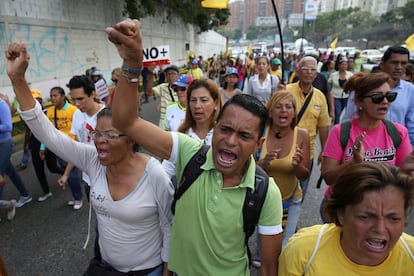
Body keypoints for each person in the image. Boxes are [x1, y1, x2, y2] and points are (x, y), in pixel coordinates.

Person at [107, 19, 283, 275]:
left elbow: (268, 267)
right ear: (215, 127)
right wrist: (133, 65)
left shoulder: (266, 191)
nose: (230, 141)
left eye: (244, 135)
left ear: (259, 144)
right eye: (225, 130)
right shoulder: (190, 152)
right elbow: (125, 121)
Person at [5, 43, 174, 274]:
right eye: (97, 133)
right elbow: (48, 134)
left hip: (147, 270)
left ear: (132, 139)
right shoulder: (92, 159)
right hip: (105, 267)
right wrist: (17, 79)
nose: (100, 140)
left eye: (111, 135)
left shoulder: (154, 173)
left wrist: (166, 271)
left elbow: (169, 226)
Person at [279, 161, 414, 275]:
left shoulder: (411, 257)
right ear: (341, 214)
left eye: (393, 218)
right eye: (365, 217)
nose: (380, 229)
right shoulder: (303, 251)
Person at [321, 72, 412, 222]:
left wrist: (407, 171)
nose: (385, 102)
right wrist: (353, 163)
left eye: (390, 97)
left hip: (381, 212)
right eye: (377, 97)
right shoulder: (341, 131)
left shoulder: (398, 133)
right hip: (343, 209)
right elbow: (328, 177)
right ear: (359, 101)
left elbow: (405, 185)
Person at [256, 91, 310, 248]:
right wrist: (262, 164)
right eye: (278, 107)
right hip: (263, 200)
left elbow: (304, 175)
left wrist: (297, 166)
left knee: (285, 246)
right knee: (265, 244)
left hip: (291, 200)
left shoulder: (301, 135)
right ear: (270, 112)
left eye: (288, 107)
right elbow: (246, 168)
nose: (284, 111)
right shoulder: (260, 133)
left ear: (294, 113)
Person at [343, 46, 414, 147]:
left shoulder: (410, 90)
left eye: (403, 63)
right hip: (363, 148)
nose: (399, 67)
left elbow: (411, 125)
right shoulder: (363, 86)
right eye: (394, 62)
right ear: (382, 65)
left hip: (396, 149)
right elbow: (349, 117)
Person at [286, 56, 331, 201]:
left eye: (313, 69)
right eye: (305, 69)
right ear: (298, 71)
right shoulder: (286, 91)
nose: (309, 72)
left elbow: (323, 125)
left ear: (316, 74)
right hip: (285, 148)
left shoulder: (320, 97)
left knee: (300, 194)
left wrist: (324, 151)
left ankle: (293, 221)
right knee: (280, 190)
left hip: (307, 153)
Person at [42, 86, 83, 210]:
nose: (53, 98)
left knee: (72, 173)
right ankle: (76, 195)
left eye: (55, 95)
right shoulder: (50, 111)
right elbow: (47, 131)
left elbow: (79, 131)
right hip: (58, 148)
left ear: (63, 96)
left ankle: (78, 198)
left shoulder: (73, 110)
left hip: (72, 146)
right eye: (51, 96)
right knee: (67, 172)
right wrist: (43, 146)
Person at [65, 75, 105, 197]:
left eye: (80, 99)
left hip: (108, 178)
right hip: (88, 179)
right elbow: (77, 146)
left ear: (92, 94)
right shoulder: (77, 115)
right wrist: (66, 174)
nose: (76, 104)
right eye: (73, 99)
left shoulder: (107, 115)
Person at [28, 89, 65, 202]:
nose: (34, 103)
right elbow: (28, 131)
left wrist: (43, 147)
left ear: (40, 101)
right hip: (34, 144)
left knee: (53, 167)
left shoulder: (47, 113)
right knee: (38, 170)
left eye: (37, 100)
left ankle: (68, 175)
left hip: (47, 144)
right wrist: (26, 145)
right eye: (32, 100)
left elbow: (49, 131)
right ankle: (46, 191)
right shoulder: (28, 115)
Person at [0, 97, 32, 208]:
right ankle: (25, 195)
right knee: (10, 172)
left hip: (4, 143)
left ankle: (6, 205)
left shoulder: (1, 105)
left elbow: (8, 126)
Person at [328, 58, 353, 124]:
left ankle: (345, 125)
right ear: (339, 66)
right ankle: (336, 126)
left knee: (347, 111)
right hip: (335, 96)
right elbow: (329, 83)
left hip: (346, 96)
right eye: (342, 64)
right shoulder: (333, 74)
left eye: (345, 65)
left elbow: (353, 84)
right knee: (337, 112)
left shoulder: (350, 74)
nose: (344, 66)